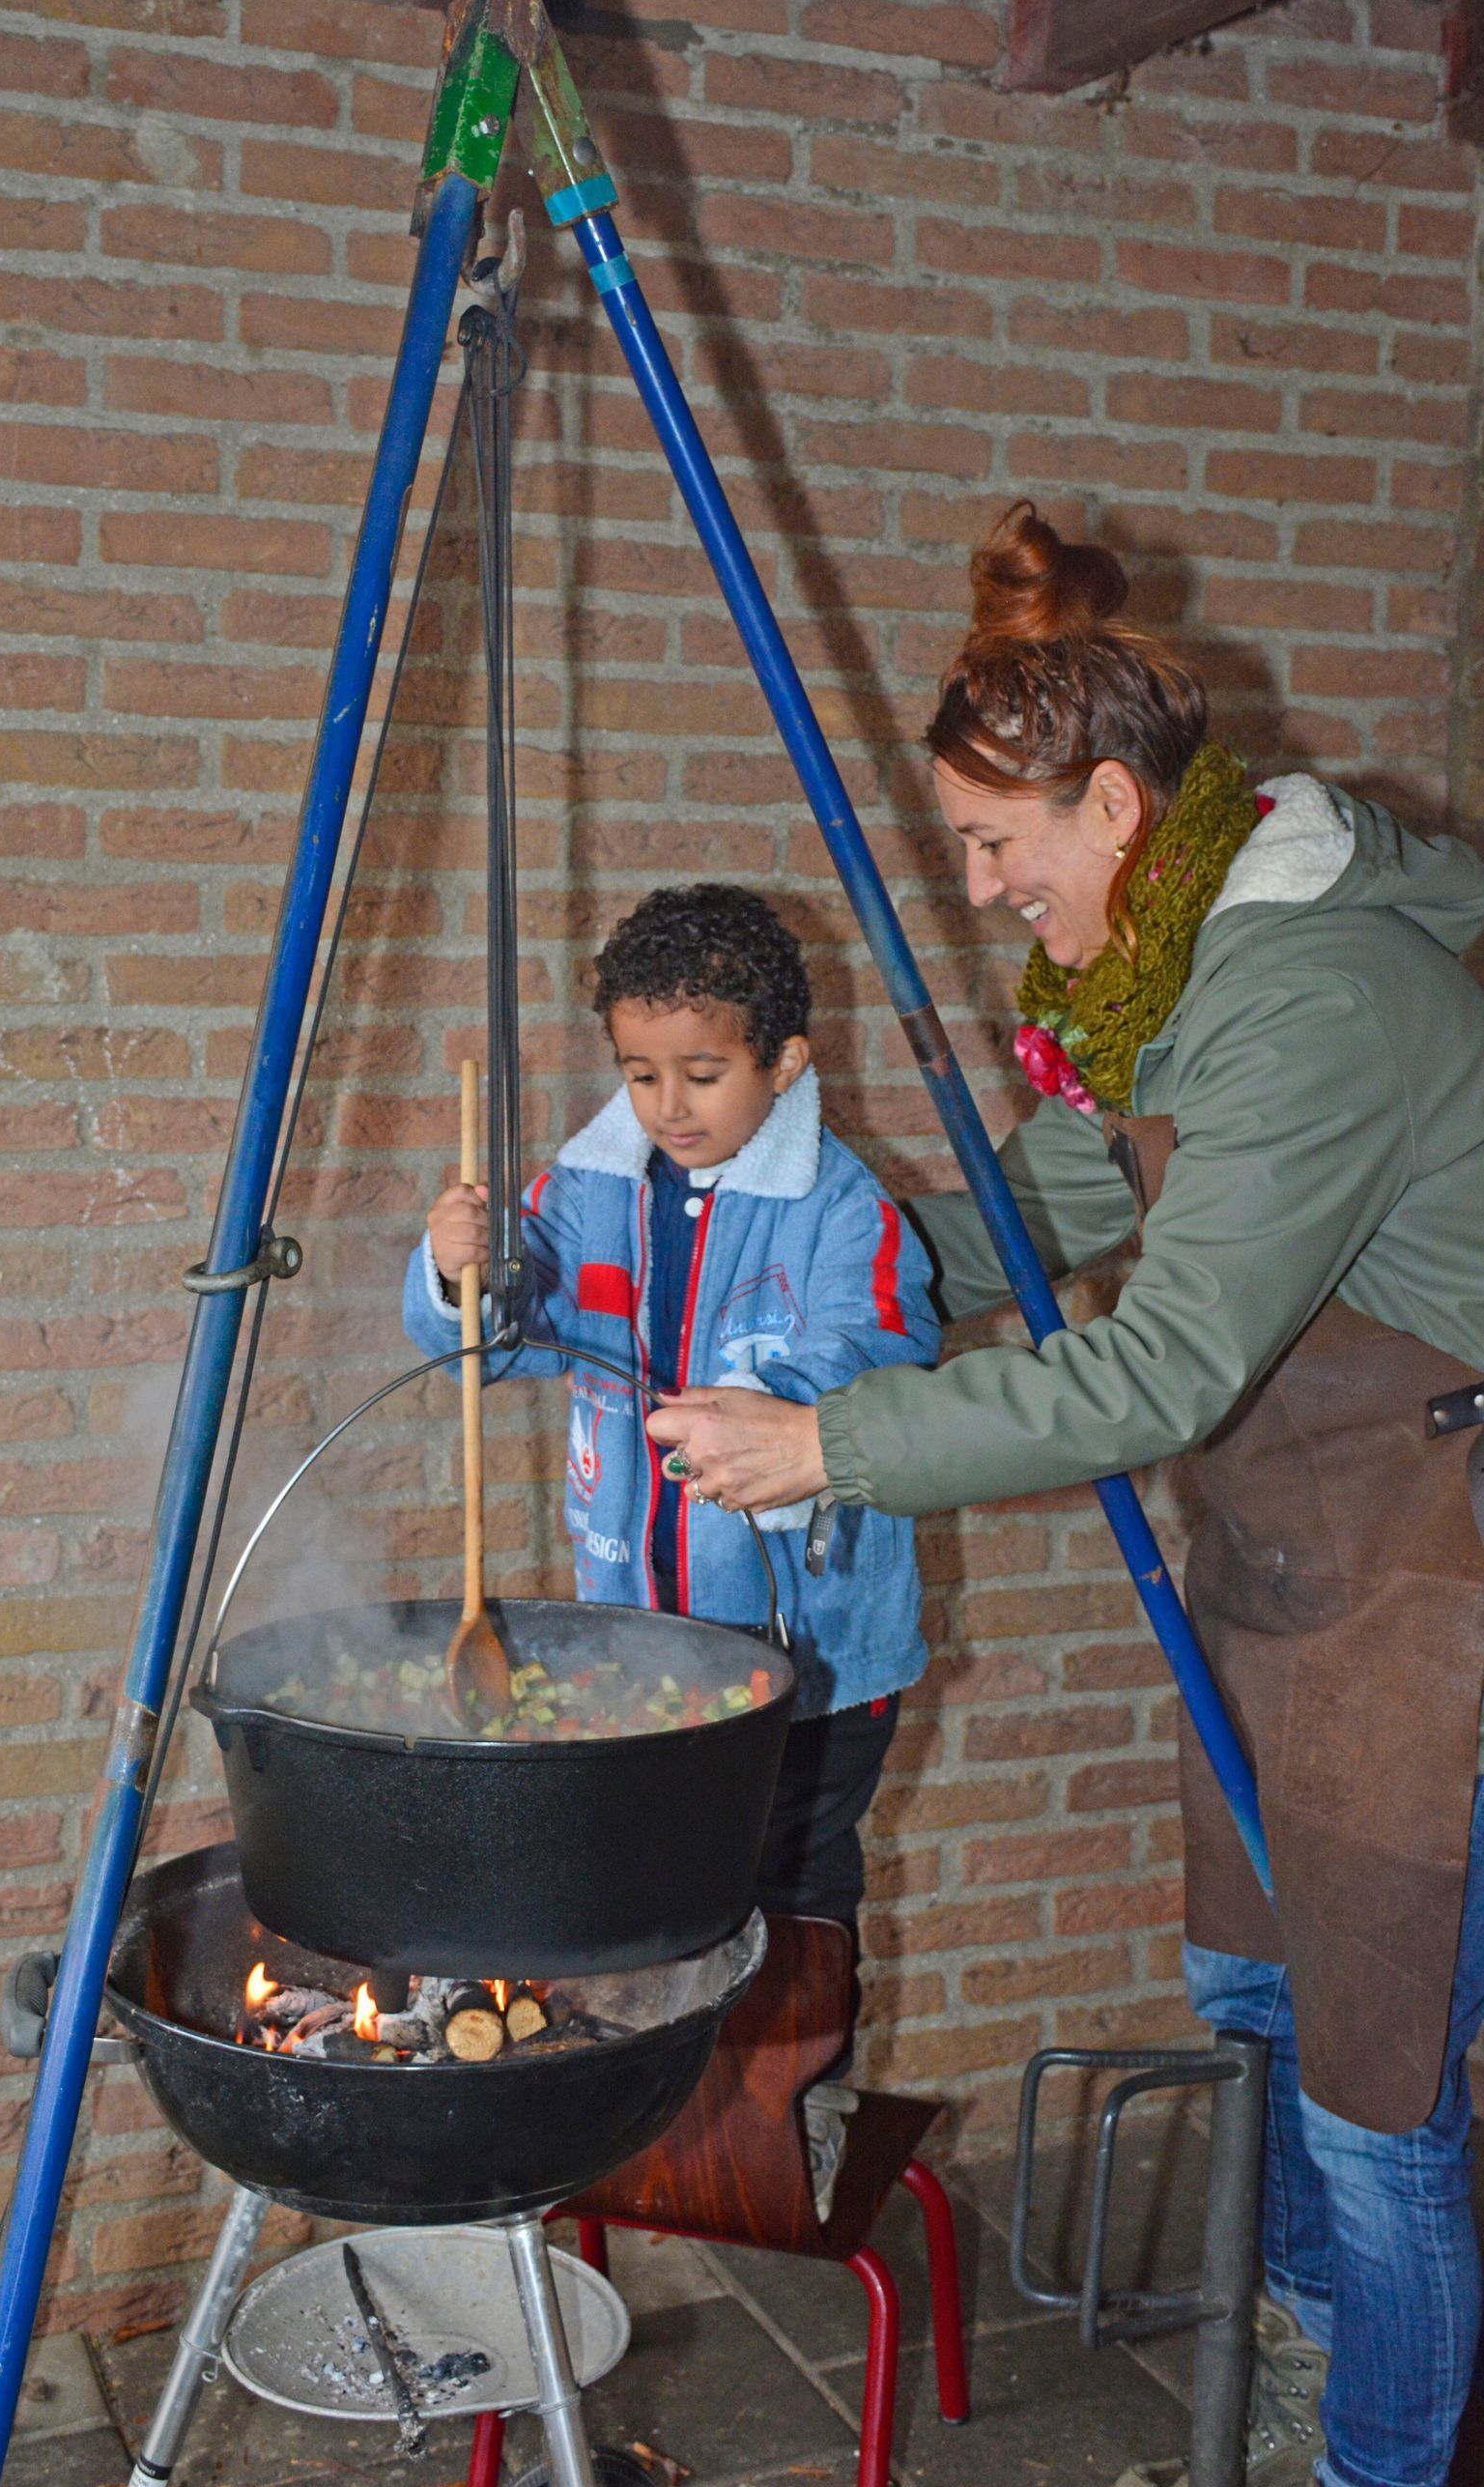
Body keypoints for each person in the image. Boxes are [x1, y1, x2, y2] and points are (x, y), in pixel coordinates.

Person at [646, 505, 1484, 2487]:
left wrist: (839, 1445)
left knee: (1375, 2103)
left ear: (1110, 806)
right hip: (1307, 1571)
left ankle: (1373, 2462)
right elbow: (1035, 1213)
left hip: (1470, 1602)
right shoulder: (1165, 981)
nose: (989, 892)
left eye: (1001, 849)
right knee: (1262, 2005)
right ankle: (1329, 2368)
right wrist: (794, 1267)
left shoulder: (1308, 1003)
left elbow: (1167, 1364)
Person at [404, 882, 940, 2213]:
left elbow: (884, 1356)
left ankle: (795, 2101)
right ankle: (662, 2108)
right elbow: (489, 1340)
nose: (669, 1105)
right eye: (642, 1073)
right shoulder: (582, 1188)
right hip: (636, 1640)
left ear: (785, 1062)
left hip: (808, 1651)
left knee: (797, 1877)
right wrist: (456, 1267)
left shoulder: (844, 1208)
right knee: (650, 1876)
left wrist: (780, 1405)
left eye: (705, 1073)